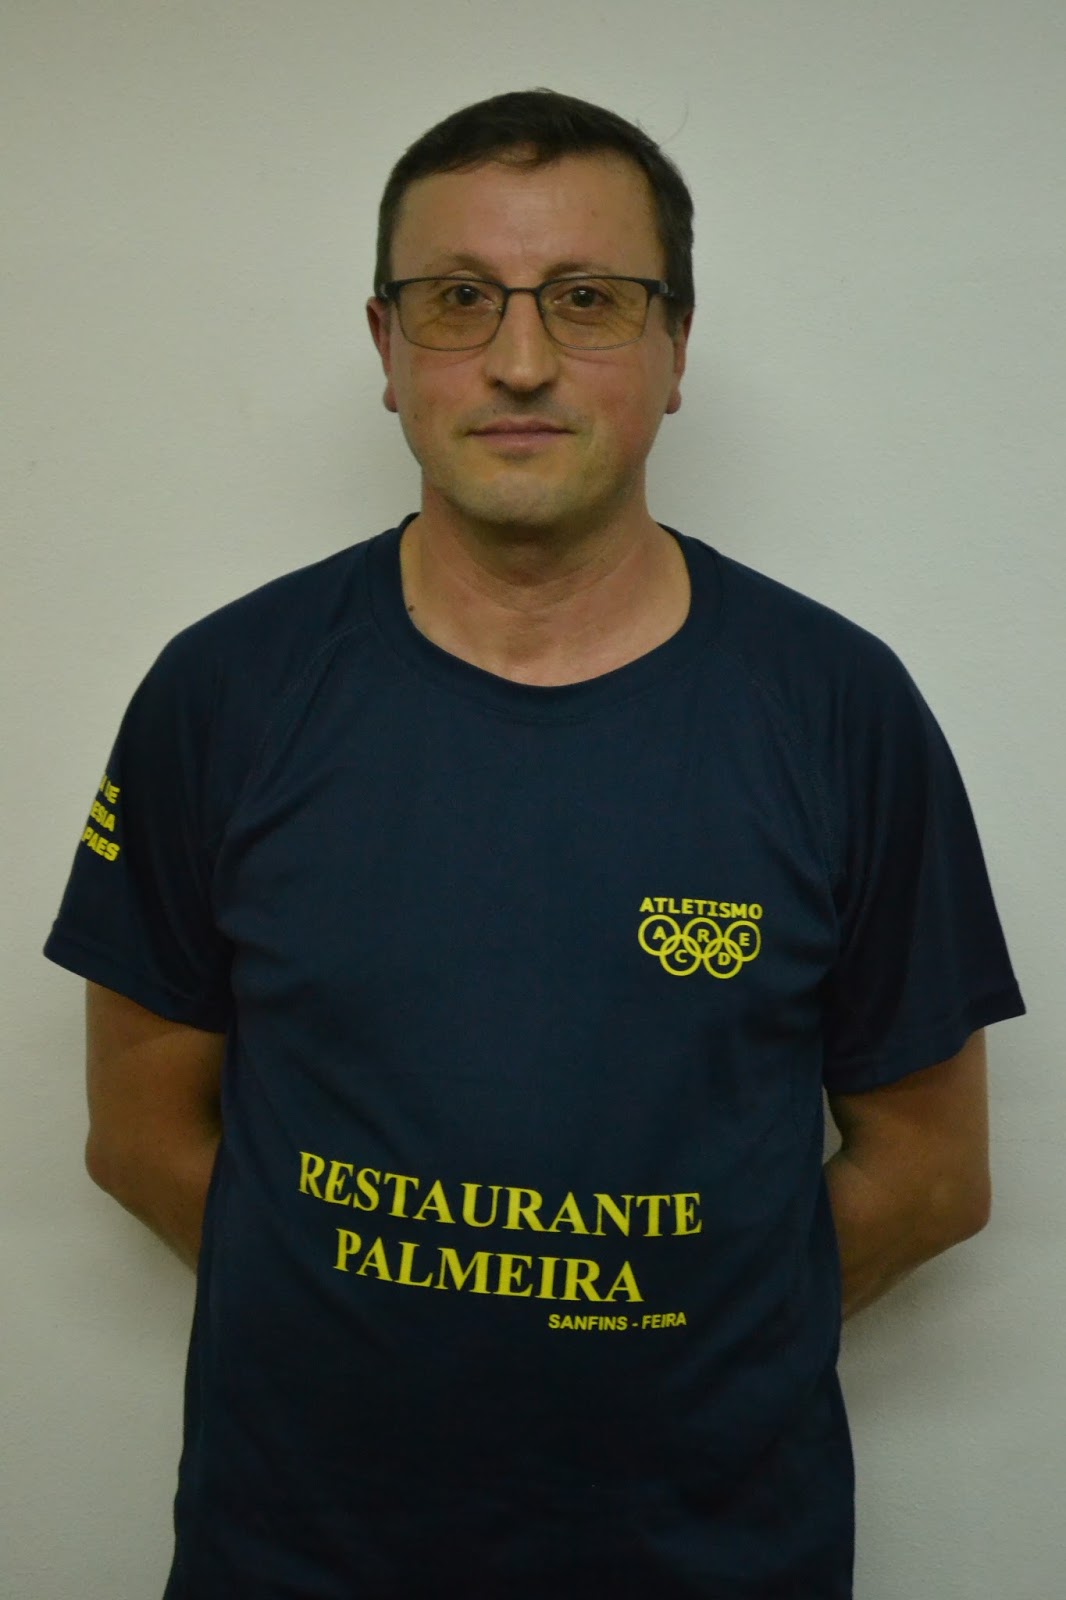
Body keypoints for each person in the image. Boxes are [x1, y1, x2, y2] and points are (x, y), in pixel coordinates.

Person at [44, 88, 1024, 1599]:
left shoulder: (839, 711)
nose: (517, 360)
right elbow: (139, 1135)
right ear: (385, 348)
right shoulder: (223, 693)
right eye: (458, 300)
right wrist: (395, 1338)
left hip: (714, 1561)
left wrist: (676, 1345)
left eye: (588, 299)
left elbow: (932, 1174)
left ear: (675, 348)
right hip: (296, 1555)